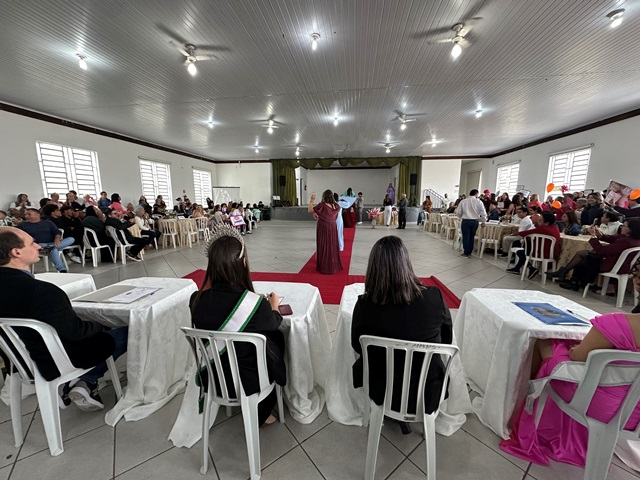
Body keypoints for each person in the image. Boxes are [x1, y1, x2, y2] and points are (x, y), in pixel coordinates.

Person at [0, 227, 128, 411]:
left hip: (19, 362)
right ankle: (83, 380)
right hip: (54, 361)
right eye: (32, 243)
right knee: (125, 331)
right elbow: (75, 332)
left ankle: (83, 383)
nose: (38, 246)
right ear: (16, 252)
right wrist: (99, 325)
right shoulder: (41, 291)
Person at [500, 309, 640, 468]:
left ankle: (522, 412)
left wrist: (574, 349)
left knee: (546, 342)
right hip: (634, 418)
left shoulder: (617, 323)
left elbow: (578, 356)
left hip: (599, 405)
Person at [190, 224, 285, 426]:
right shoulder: (257, 304)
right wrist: (274, 306)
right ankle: (262, 411)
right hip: (248, 382)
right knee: (276, 339)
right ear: (243, 263)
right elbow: (274, 323)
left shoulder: (196, 300)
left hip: (213, 378)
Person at [351, 236, 453, 422]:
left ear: (373, 268)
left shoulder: (364, 306)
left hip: (382, 390)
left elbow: (358, 346)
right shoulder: (434, 298)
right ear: (406, 263)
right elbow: (446, 341)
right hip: (428, 390)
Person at [552, 219, 640, 290]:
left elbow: (601, 250)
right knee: (585, 254)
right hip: (622, 265)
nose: (621, 228)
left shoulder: (626, 241)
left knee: (586, 255)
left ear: (631, 229)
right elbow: (611, 239)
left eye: (624, 226)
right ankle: (568, 276)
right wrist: (598, 234)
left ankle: (569, 276)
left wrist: (593, 236)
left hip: (612, 265)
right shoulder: (633, 239)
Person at [17, 207, 75, 272]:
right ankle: (61, 269)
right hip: (38, 245)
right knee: (53, 250)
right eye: (25, 214)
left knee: (71, 239)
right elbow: (16, 234)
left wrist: (57, 239)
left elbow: (57, 232)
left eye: (29, 214)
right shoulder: (23, 225)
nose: (26, 216)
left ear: (37, 215)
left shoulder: (48, 223)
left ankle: (49, 248)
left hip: (53, 243)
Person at [507, 212, 560, 278]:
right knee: (526, 248)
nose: (538, 221)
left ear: (546, 223)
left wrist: (516, 233)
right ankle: (519, 268)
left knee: (521, 251)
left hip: (543, 253)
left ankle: (530, 268)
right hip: (552, 252)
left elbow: (527, 232)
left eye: (540, 220)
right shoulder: (555, 228)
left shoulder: (543, 229)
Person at [308, 190, 342, 274]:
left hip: (323, 228)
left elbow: (310, 210)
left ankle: (324, 266)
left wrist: (312, 200)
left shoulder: (322, 205)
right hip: (332, 227)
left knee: (323, 245)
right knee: (332, 245)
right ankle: (333, 264)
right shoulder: (336, 206)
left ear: (324, 197)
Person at [456, 189, 487, 258]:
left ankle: (466, 252)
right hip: (475, 221)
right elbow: (483, 213)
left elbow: (458, 212)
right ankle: (470, 252)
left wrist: (461, 216)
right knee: (471, 236)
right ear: (476, 194)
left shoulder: (463, 201)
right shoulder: (479, 202)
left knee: (466, 237)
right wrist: (483, 220)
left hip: (466, 221)